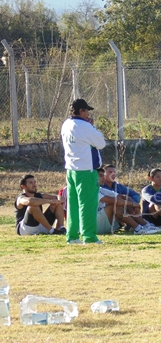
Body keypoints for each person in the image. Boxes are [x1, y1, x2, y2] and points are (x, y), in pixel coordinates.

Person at [60, 98, 106, 245]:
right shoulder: (85, 126)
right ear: (81, 111)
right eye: (86, 111)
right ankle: (89, 236)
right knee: (88, 204)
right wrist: (92, 127)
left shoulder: (66, 124)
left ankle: (72, 235)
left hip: (71, 169)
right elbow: (101, 143)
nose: (88, 114)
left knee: (72, 204)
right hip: (86, 170)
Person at [101, 164, 160, 233]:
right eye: (110, 172)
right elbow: (115, 201)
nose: (113, 174)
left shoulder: (118, 186)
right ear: (103, 175)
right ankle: (139, 226)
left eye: (114, 172)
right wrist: (132, 204)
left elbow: (135, 195)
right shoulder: (100, 188)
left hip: (119, 214)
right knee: (118, 203)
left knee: (126, 199)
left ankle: (144, 225)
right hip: (106, 215)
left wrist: (133, 204)